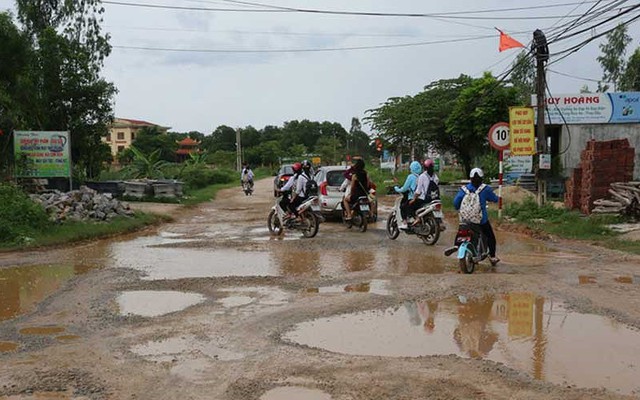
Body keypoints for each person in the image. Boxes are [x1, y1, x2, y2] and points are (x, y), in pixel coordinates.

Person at [453, 167, 500, 265]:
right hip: (480, 220)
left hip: (465, 219)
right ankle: (492, 256)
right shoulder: (485, 189)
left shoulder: (463, 189)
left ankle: (457, 244)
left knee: (462, 229)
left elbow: (456, 203)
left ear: (470, 178)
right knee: (490, 237)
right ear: (482, 178)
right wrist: (497, 199)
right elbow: (494, 199)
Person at [394, 160, 422, 229]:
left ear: (411, 168)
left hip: (413, 198)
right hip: (421, 198)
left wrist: (396, 189)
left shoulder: (411, 177)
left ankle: (405, 223)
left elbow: (404, 188)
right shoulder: (421, 176)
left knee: (403, 207)